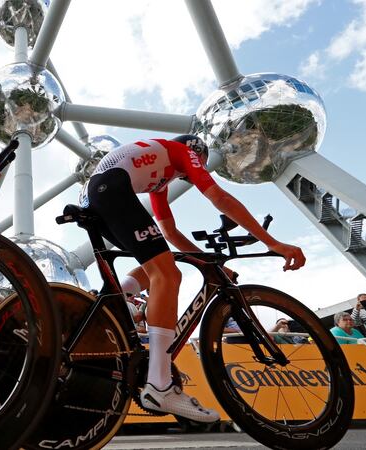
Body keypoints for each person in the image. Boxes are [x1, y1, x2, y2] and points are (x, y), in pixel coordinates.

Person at [82, 135, 306, 423]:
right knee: (167, 273)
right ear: (197, 153)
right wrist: (273, 242)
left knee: (160, 262)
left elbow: (171, 233)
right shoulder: (181, 151)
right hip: (109, 189)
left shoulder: (159, 179)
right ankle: (160, 384)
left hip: (97, 195)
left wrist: (207, 263)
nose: (193, 172)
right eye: (198, 164)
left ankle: (110, 302)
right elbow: (220, 198)